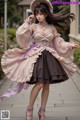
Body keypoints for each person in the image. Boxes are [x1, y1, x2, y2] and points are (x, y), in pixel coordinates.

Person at [0, 0, 79, 120]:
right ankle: (29, 109)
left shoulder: (52, 28)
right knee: (39, 84)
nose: (38, 16)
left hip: (49, 57)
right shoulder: (33, 26)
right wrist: (27, 22)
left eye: (41, 14)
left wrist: (69, 45)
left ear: (46, 14)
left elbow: (58, 42)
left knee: (46, 85)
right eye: (37, 14)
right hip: (36, 57)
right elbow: (21, 36)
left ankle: (42, 111)